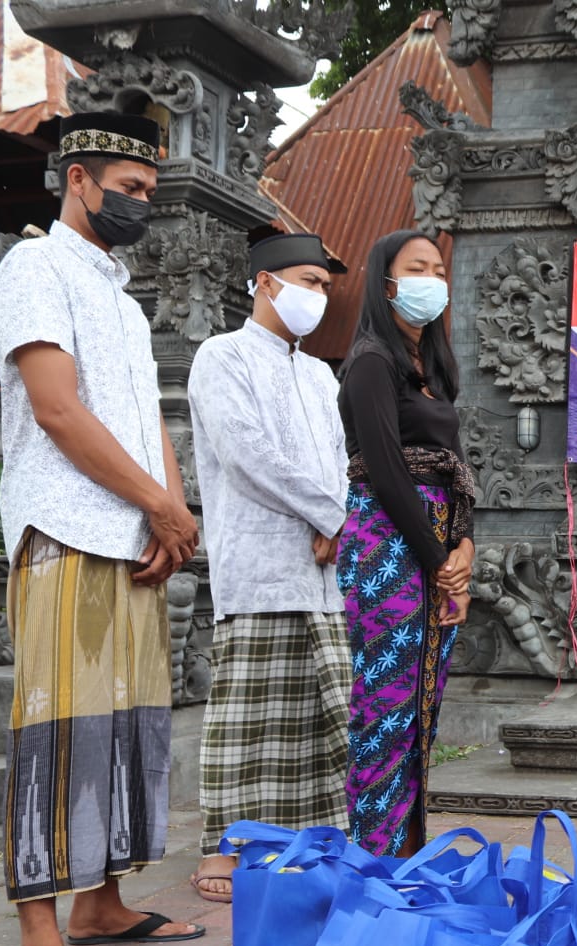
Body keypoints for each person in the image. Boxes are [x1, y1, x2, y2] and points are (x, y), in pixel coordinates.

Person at [0, 111, 206, 946]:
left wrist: (174, 504)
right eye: (128, 189)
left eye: (150, 194)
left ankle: (100, 904)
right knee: (55, 735)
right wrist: (156, 503)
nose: (140, 206)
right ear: (78, 179)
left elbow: (143, 413)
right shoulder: (31, 268)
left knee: (123, 729)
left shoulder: (120, 298)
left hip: (130, 534)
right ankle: (39, 944)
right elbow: (58, 412)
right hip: (65, 529)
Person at [185, 232, 353, 902]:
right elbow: (244, 455)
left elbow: (341, 460)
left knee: (320, 714)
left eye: (324, 286)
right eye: (308, 281)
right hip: (257, 560)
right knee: (247, 719)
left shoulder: (319, 372)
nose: (318, 295)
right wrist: (326, 514)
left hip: (322, 567)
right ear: (264, 282)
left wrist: (337, 515)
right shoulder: (221, 357)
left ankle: (311, 835)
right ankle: (226, 847)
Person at [336, 230, 474, 858]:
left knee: (423, 701)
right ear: (386, 282)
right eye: (416, 267)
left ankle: (411, 844)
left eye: (438, 268)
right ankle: (374, 852)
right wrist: (438, 556)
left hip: (437, 538)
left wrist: (464, 544)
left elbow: (453, 460)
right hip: (387, 542)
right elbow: (387, 469)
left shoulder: (434, 365)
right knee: (387, 700)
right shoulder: (371, 359)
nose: (431, 278)